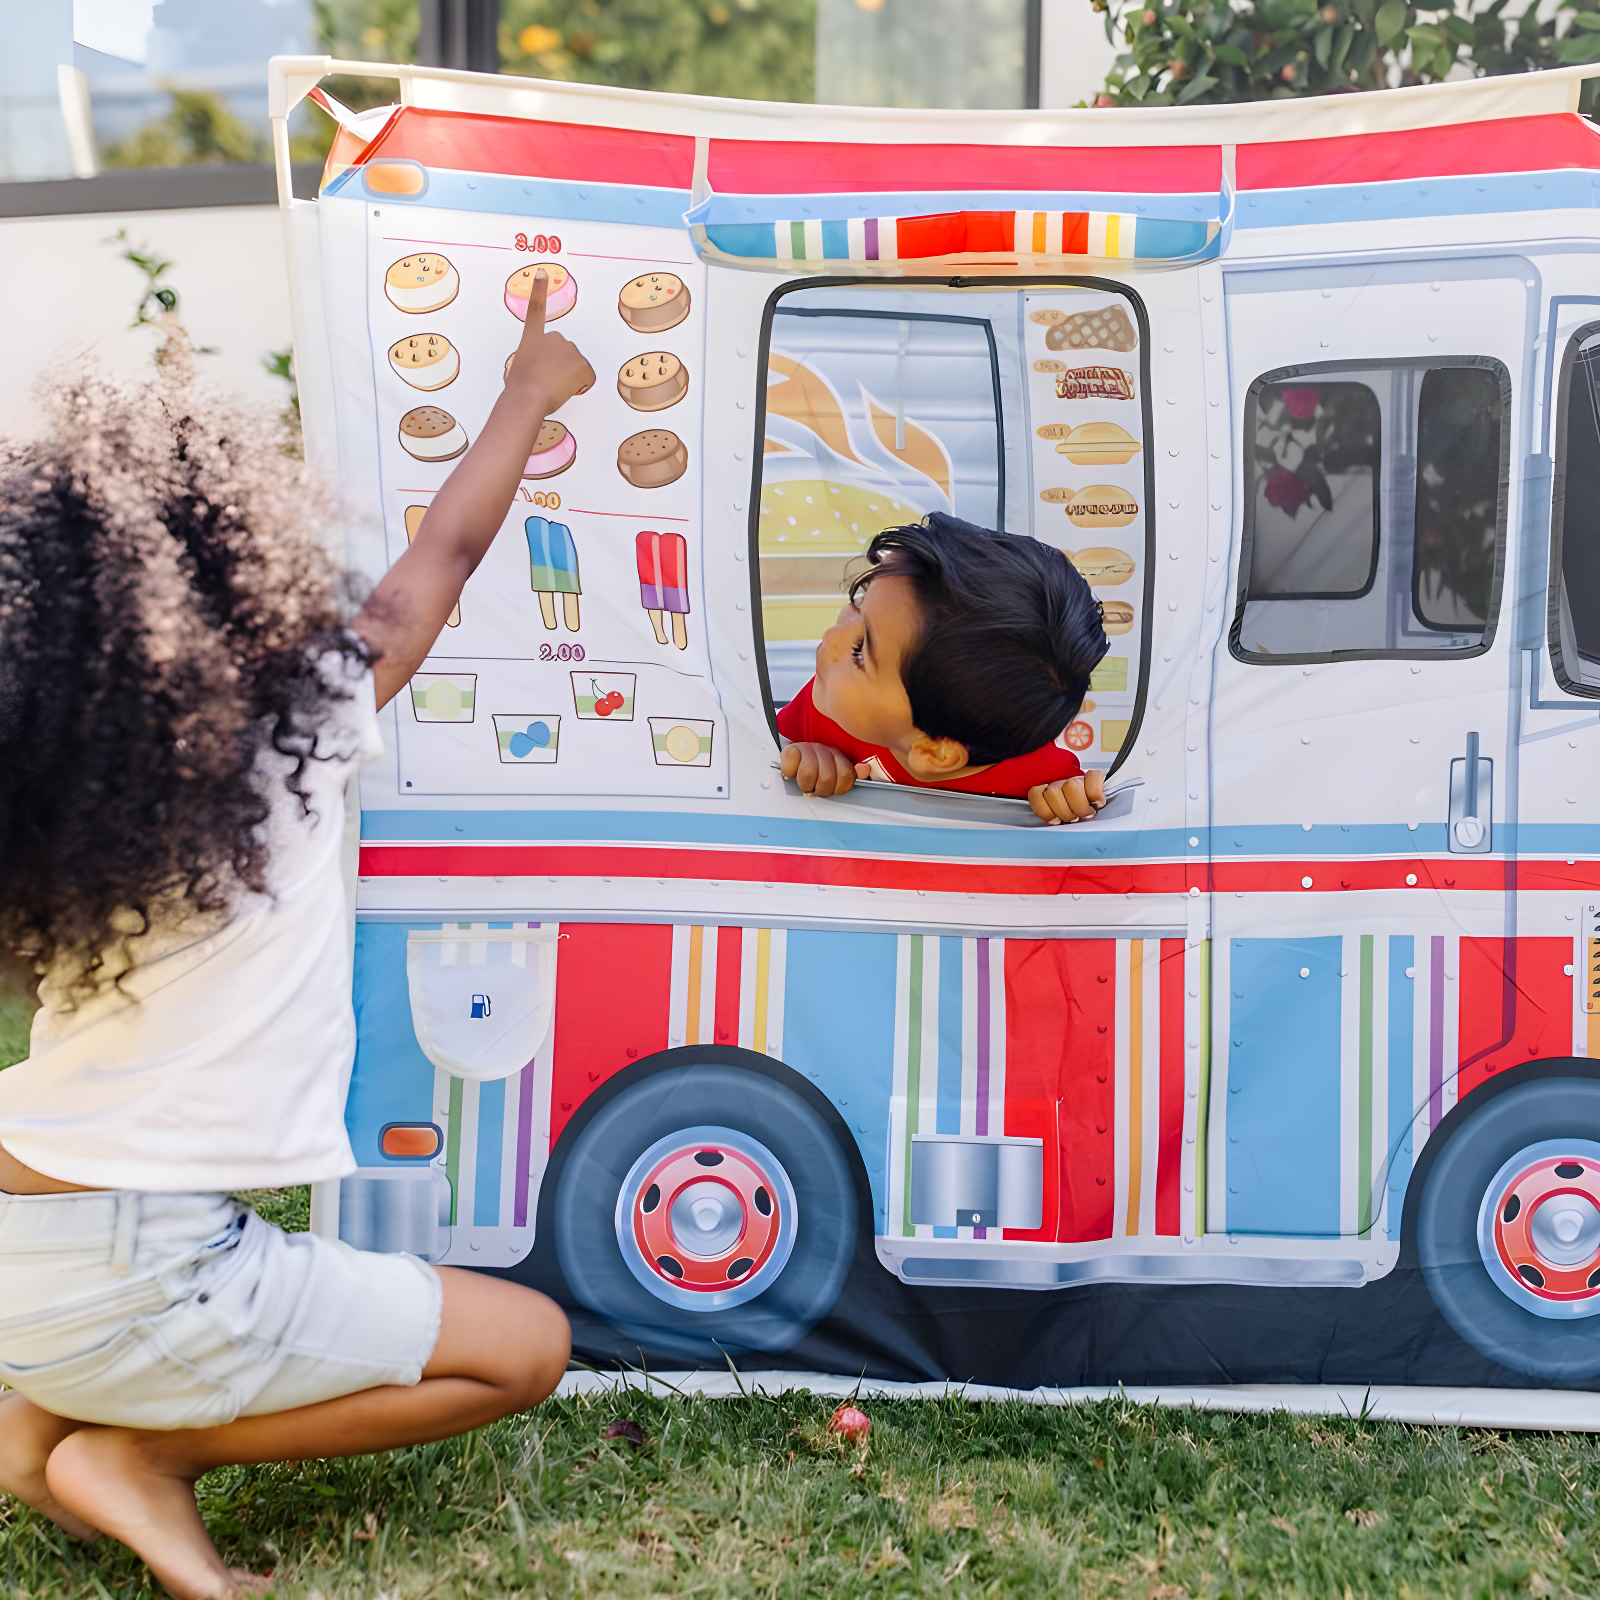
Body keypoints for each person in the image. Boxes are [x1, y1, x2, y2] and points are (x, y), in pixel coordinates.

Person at [0, 271, 594, 1600]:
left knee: (87, 1347)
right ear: (234, 565)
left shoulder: (70, 819)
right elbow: (438, 563)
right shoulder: (304, 726)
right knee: (531, 1347)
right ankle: (145, 1463)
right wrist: (527, 389)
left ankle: (47, 1428)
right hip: (147, 1277)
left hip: (18, 1253)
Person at [777, 514, 1112, 824]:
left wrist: (1073, 805)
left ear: (934, 752)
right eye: (861, 602)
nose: (830, 636)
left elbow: (1077, 808)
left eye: (860, 654)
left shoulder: (1045, 780)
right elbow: (773, 750)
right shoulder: (826, 710)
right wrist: (797, 753)